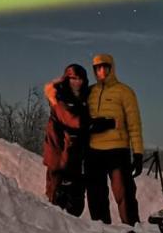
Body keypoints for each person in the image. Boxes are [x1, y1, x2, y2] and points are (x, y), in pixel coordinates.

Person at [42, 64, 113, 216]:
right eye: (74, 79)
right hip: (60, 155)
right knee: (58, 201)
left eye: (80, 79)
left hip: (77, 156)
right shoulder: (59, 98)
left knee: (76, 202)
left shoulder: (83, 98)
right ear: (67, 79)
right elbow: (73, 122)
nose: (77, 82)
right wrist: (102, 123)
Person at [85, 53, 144, 225]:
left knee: (123, 193)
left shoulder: (125, 92)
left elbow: (134, 124)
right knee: (96, 195)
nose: (101, 71)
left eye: (105, 67)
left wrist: (138, 153)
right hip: (93, 150)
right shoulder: (90, 92)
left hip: (118, 151)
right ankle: (102, 231)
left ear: (111, 68)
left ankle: (132, 228)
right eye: (97, 68)